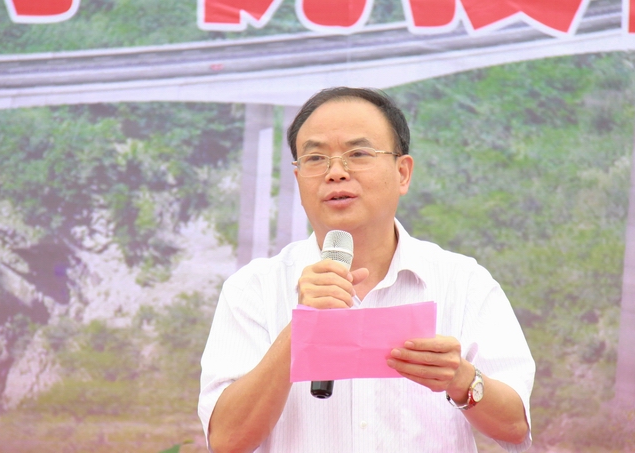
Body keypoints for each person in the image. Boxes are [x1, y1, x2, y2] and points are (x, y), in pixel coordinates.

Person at [198, 87, 535, 453]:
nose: (335, 173)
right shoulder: (252, 289)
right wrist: (302, 328)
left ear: (403, 173)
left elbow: (514, 428)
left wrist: (461, 379)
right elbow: (227, 441)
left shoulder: (463, 282)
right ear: (298, 178)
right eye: (315, 158)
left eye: (358, 154)